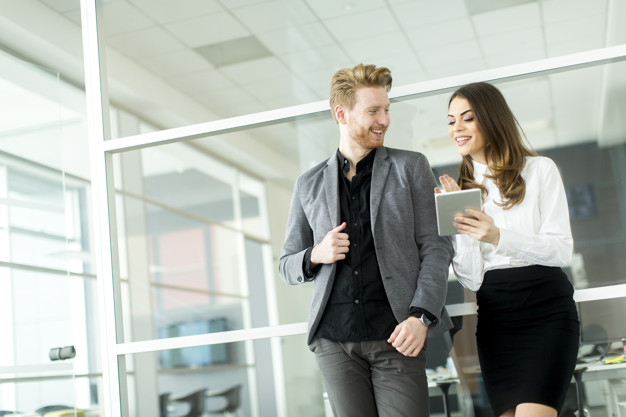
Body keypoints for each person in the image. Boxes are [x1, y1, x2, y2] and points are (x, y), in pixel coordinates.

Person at [278, 63, 453, 417]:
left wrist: (421, 317)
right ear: (341, 113)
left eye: (386, 109)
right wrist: (316, 254)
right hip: (334, 341)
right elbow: (286, 265)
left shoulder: (411, 167)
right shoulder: (308, 184)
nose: (384, 120)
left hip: (398, 336)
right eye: (373, 110)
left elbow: (436, 248)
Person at [438, 82, 580, 417]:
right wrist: (464, 227)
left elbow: (561, 251)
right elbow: (472, 280)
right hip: (495, 318)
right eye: (450, 120)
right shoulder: (464, 191)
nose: (456, 128)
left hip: (546, 311)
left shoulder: (540, 169)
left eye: (467, 118)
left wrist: (497, 236)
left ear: (491, 119)